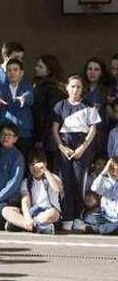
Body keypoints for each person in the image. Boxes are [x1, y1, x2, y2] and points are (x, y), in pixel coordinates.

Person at [52, 75, 100, 225]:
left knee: (79, 181)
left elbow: (93, 129)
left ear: (82, 89)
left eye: (78, 86)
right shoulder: (60, 105)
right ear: (67, 87)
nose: (75, 89)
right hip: (65, 143)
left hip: (82, 144)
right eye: (72, 86)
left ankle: (78, 216)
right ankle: (67, 217)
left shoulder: (88, 106)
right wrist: (61, 146)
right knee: (66, 181)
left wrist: (82, 148)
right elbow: (55, 129)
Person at [1, 149, 62, 234]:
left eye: (37, 164)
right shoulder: (26, 182)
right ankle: (37, 227)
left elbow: (57, 189)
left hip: (48, 212)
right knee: (6, 210)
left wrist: (45, 171)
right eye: (32, 164)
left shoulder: (52, 177)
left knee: (53, 213)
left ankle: (21, 225)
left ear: (45, 164)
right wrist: (27, 217)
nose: (35, 168)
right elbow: (25, 200)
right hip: (32, 212)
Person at [0, 59, 35, 153]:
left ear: (21, 72)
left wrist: (24, 98)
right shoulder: (1, 87)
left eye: (15, 70)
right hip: (5, 132)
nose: (12, 73)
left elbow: (29, 95)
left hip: (23, 132)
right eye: (9, 70)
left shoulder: (27, 86)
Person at [33, 55, 66, 162]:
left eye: (40, 66)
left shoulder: (46, 88)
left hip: (47, 136)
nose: (36, 68)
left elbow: (45, 115)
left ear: (48, 71)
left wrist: (40, 138)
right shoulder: (58, 87)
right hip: (54, 134)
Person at [89, 157, 118, 235]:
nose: (115, 173)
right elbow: (94, 187)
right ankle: (106, 228)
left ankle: (99, 229)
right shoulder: (105, 181)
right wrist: (105, 170)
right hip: (105, 218)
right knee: (90, 217)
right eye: (112, 170)